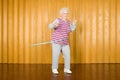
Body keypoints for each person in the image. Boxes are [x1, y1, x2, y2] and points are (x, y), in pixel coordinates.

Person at [49, 7, 77, 74]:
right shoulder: (57, 20)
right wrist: (54, 24)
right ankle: (54, 68)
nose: (66, 15)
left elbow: (71, 30)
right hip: (56, 41)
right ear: (61, 14)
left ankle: (67, 68)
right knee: (56, 55)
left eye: (67, 13)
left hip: (65, 42)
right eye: (64, 13)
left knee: (67, 55)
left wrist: (74, 23)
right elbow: (50, 26)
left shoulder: (68, 22)